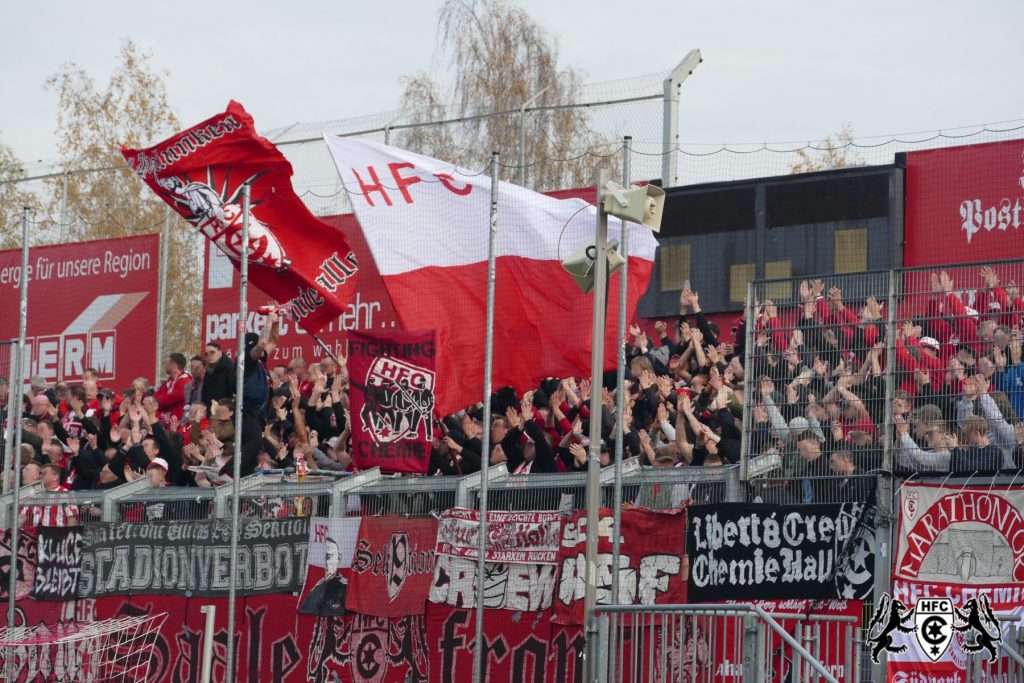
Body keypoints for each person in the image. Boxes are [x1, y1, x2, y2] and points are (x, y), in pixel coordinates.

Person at [299, 536, 348, 616]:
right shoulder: (318, 587)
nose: (326, 562)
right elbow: (306, 612)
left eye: (329, 557)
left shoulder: (347, 587)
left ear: (338, 559)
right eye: (325, 558)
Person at [154, 353, 192, 427]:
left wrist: (156, 401)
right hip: (162, 422)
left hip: (177, 426)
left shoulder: (185, 381)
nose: (165, 365)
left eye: (167, 362)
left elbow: (169, 399)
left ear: (174, 364)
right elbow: (154, 398)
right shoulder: (167, 383)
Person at [201, 342, 235, 408]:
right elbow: (204, 396)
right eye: (206, 354)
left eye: (212, 352)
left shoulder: (229, 368)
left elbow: (233, 393)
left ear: (220, 353)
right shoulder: (208, 372)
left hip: (224, 412)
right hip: (209, 413)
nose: (209, 356)